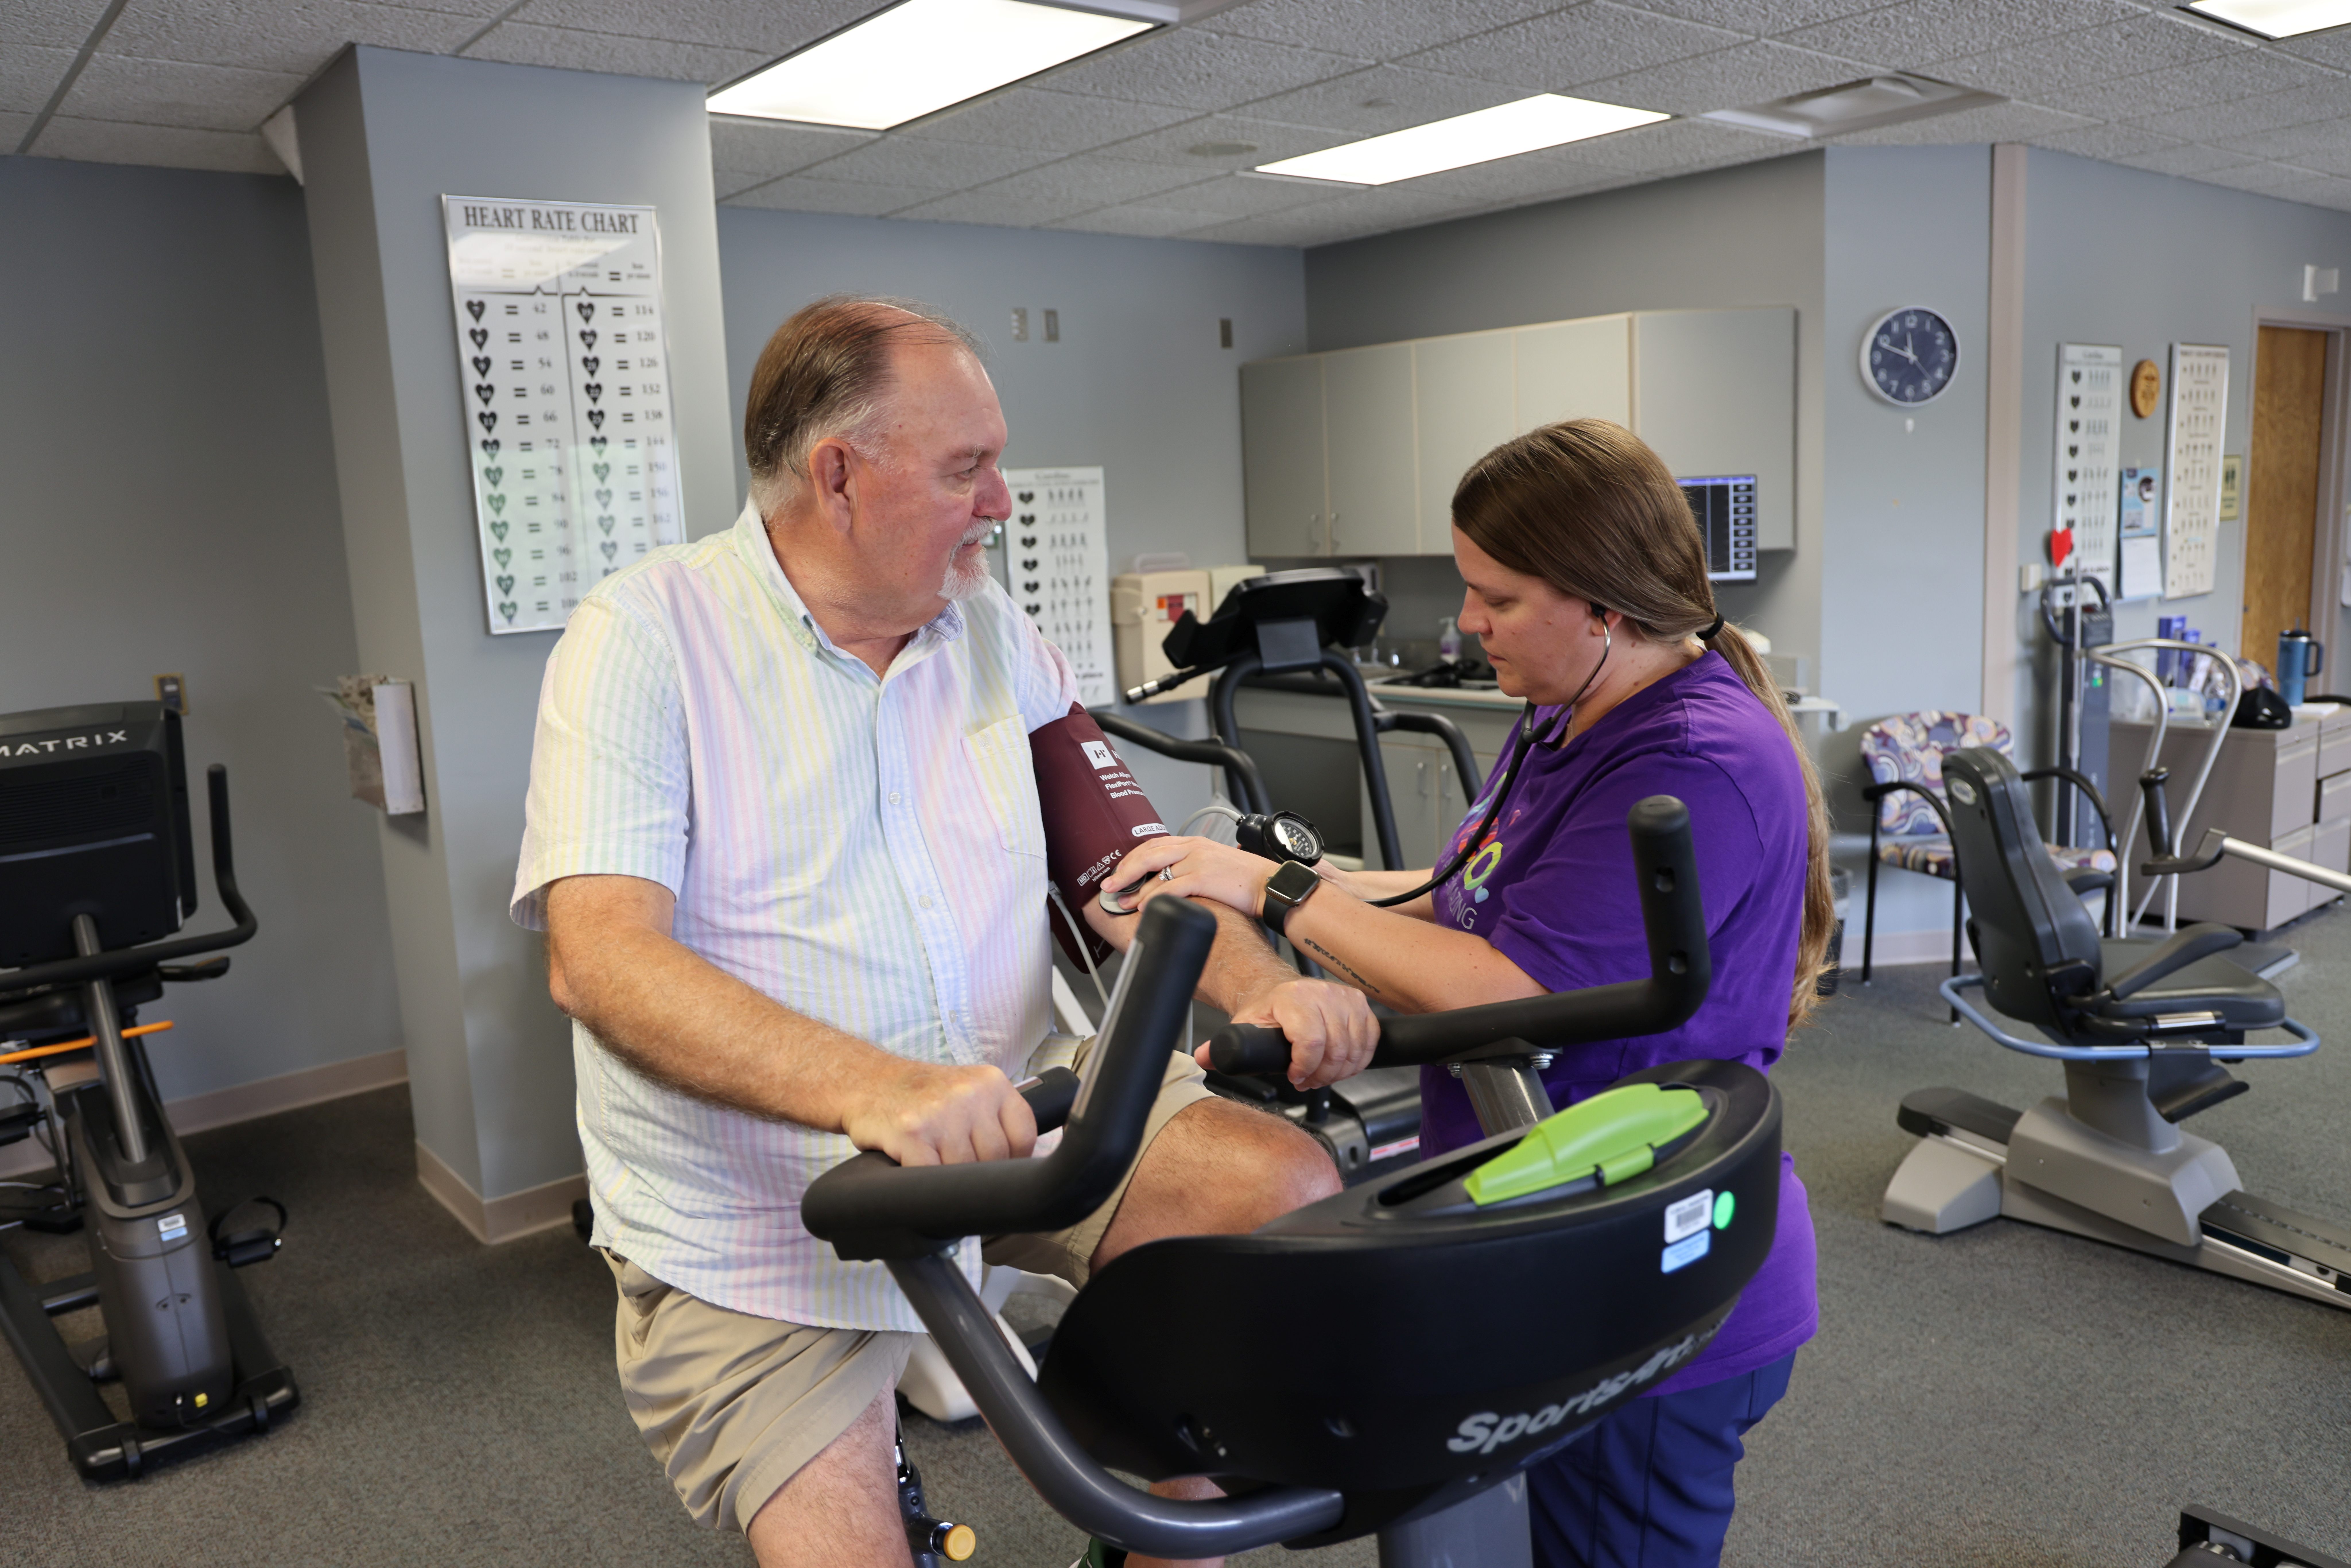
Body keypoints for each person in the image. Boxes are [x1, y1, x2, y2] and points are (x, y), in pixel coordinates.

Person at [511, 295, 1377, 1568]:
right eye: (967, 467)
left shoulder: (992, 633)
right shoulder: (643, 637)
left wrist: (1259, 986)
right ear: (839, 475)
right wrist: (874, 1088)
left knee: (1278, 1196)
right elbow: (600, 956)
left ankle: (1159, 1494)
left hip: (1022, 1115)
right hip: (757, 1212)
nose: (1002, 502)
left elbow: (1125, 867)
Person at [1107, 418, 1828, 1567]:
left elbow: (1504, 982)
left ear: (1601, 604)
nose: (1465, 624)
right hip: (1545, 1217)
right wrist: (1304, 889)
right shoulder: (1567, 712)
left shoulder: (1692, 759)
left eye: (1495, 597)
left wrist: (1285, 892)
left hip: (1650, 1273)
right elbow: (1466, 894)